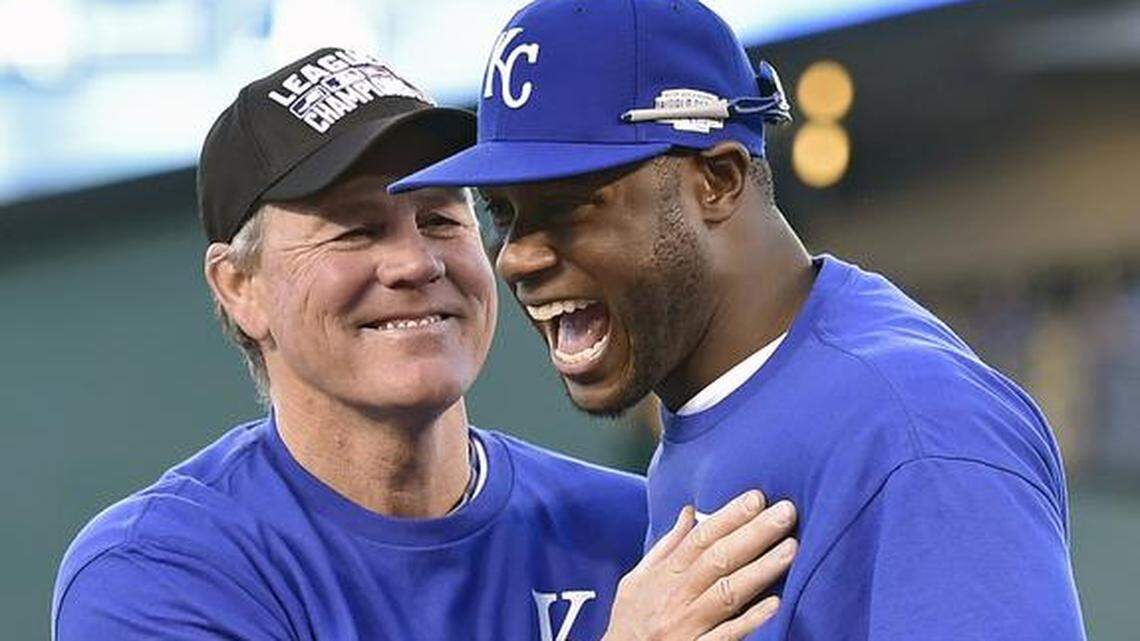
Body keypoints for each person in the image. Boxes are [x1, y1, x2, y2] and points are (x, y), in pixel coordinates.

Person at [390, 1, 1090, 639]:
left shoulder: (915, 427)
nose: (519, 257)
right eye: (506, 215)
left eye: (571, 205)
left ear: (718, 180)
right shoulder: (712, 405)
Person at [51, 48, 799, 640]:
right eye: (355, 229)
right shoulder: (160, 571)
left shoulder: (638, 531)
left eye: (442, 218)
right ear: (240, 287)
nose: (416, 263)